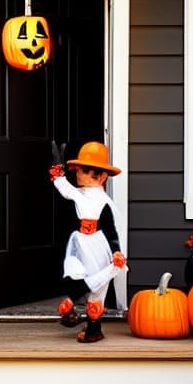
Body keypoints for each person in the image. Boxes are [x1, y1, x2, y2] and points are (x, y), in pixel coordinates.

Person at [49, 141, 127, 343]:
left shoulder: (104, 203)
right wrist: (58, 166)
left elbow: (111, 230)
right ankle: (72, 307)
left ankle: (93, 327)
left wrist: (116, 250)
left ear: (101, 176)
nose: (78, 174)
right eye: (78, 169)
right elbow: (64, 187)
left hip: (98, 245)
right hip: (80, 242)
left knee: (97, 286)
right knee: (73, 270)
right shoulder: (79, 194)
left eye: (83, 170)